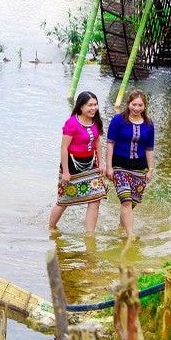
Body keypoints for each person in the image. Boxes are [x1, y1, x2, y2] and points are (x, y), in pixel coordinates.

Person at [49, 91, 107, 233]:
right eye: (90, 105)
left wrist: (101, 163)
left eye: (95, 104)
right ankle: (51, 228)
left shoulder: (96, 121)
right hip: (72, 165)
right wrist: (66, 172)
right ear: (81, 107)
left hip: (90, 165)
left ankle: (90, 233)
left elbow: (98, 142)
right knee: (64, 201)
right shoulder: (72, 123)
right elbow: (64, 148)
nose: (93, 108)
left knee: (96, 198)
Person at [104, 89, 155, 237]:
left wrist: (150, 169)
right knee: (126, 201)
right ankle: (131, 236)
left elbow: (149, 148)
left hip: (139, 168)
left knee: (132, 203)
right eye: (134, 104)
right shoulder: (118, 120)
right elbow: (110, 144)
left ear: (144, 106)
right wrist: (108, 167)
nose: (136, 108)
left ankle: (121, 228)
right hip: (119, 166)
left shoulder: (149, 125)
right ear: (128, 104)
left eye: (140, 105)